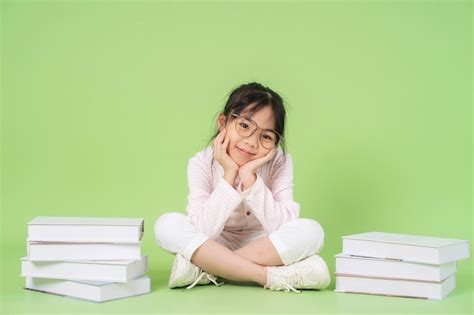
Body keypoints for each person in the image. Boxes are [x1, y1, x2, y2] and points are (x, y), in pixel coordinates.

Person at [154, 82, 330, 293]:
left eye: (266, 136)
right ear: (223, 122)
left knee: (312, 231)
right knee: (166, 225)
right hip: (214, 244)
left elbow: (283, 226)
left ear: (275, 142)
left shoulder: (279, 161)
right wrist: (229, 174)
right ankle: (268, 276)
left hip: (264, 245)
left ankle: (207, 271)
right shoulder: (201, 162)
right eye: (244, 126)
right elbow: (203, 230)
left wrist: (250, 179)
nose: (252, 143)